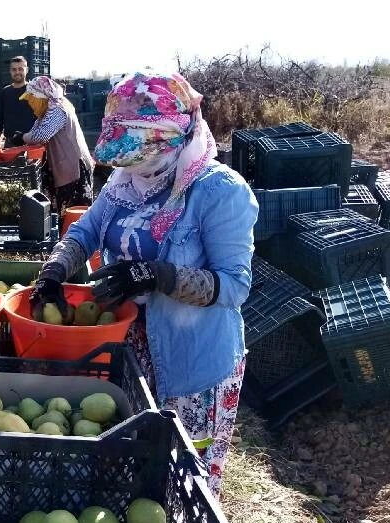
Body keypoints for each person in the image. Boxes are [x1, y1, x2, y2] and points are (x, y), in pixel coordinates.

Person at [29, 72, 258, 499]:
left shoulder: (218, 192)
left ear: (173, 138)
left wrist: (160, 276)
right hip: (131, 349)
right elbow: (85, 233)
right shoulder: (123, 183)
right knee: (135, 463)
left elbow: (234, 287)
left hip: (192, 363)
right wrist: (55, 271)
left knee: (182, 476)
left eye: (141, 154)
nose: (133, 166)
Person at [10, 75, 94, 212]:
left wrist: (22, 137)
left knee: (72, 213)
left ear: (41, 96)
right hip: (65, 166)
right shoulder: (48, 110)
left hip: (74, 168)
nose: (30, 104)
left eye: (32, 99)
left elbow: (41, 135)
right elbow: (36, 131)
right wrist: (23, 138)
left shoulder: (58, 108)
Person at [0, 56, 36, 149]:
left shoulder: (34, 91)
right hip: (10, 143)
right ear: (10, 71)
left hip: (31, 142)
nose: (17, 72)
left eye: (20, 69)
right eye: (14, 69)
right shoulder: (5, 92)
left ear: (27, 70)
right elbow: (0, 119)